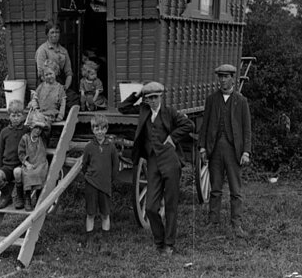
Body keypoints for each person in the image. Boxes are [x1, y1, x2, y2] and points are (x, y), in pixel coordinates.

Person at [122, 81, 194, 256]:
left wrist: (172, 137)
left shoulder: (169, 112)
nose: (153, 101)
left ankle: (168, 245)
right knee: (151, 208)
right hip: (153, 162)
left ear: (161, 97)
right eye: (149, 98)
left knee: (170, 205)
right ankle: (159, 240)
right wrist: (138, 94)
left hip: (170, 160)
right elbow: (123, 107)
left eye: (155, 97)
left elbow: (189, 125)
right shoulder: (144, 111)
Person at [199, 63, 252, 238]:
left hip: (233, 150)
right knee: (215, 188)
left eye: (226, 77)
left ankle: (236, 223)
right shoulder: (211, 100)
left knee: (236, 190)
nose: (222, 80)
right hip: (215, 149)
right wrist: (202, 148)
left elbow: (246, 129)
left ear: (233, 78)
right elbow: (204, 126)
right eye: (220, 77)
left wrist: (246, 152)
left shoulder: (241, 101)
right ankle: (213, 221)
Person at [81, 114, 118, 247]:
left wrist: (109, 180)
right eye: (97, 128)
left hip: (105, 185)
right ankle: (89, 240)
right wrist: (89, 177)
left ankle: (104, 241)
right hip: (91, 184)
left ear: (106, 129)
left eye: (102, 128)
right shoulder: (89, 147)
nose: (100, 131)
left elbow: (115, 166)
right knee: (90, 213)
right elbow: (84, 165)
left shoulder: (111, 147)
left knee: (105, 214)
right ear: (93, 130)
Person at [35, 21, 80, 108]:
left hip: (59, 82)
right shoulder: (43, 50)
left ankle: (64, 119)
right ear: (47, 34)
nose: (55, 35)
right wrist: (53, 87)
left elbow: (69, 73)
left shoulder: (63, 51)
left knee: (73, 99)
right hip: (46, 83)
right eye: (52, 32)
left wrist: (65, 87)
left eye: (57, 32)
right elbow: (41, 74)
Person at [0, 99, 27, 209]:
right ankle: (6, 196)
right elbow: (0, 151)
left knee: (17, 172)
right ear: (9, 116)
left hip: (19, 165)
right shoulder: (4, 132)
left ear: (23, 116)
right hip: (7, 166)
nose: (16, 118)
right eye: (13, 115)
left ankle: (20, 197)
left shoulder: (26, 130)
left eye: (18, 115)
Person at [18, 112, 50, 211]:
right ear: (31, 127)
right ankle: (27, 198)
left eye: (40, 129)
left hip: (40, 163)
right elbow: (21, 153)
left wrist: (44, 119)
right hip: (30, 163)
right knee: (27, 174)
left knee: (40, 172)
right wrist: (26, 163)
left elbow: (48, 129)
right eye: (36, 128)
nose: (38, 131)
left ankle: (38, 196)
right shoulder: (25, 138)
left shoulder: (43, 138)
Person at [28, 60, 67, 125]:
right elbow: (35, 98)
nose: (49, 76)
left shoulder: (59, 88)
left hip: (51, 114)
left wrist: (60, 116)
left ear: (55, 72)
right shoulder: (41, 87)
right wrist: (35, 108)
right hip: (40, 113)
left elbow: (63, 103)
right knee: (32, 120)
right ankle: (33, 134)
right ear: (43, 76)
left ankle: (36, 133)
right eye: (46, 75)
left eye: (50, 74)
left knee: (40, 122)